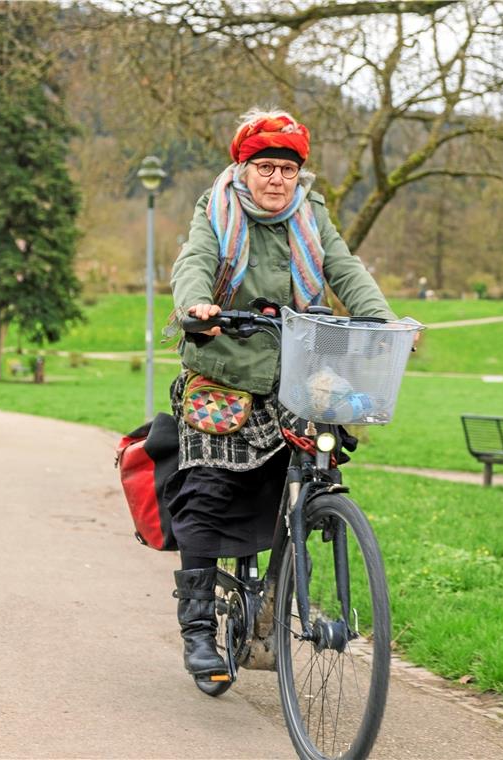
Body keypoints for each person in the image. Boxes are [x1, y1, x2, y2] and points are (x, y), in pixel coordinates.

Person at [166, 108, 403, 678]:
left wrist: (381, 320)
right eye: (266, 167)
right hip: (223, 373)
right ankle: (198, 629)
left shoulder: (312, 212)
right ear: (243, 168)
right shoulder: (216, 208)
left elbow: (343, 267)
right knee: (207, 492)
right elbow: (194, 262)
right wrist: (197, 307)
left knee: (306, 478)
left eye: (288, 170)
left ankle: (277, 602)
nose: (277, 180)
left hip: (296, 373)